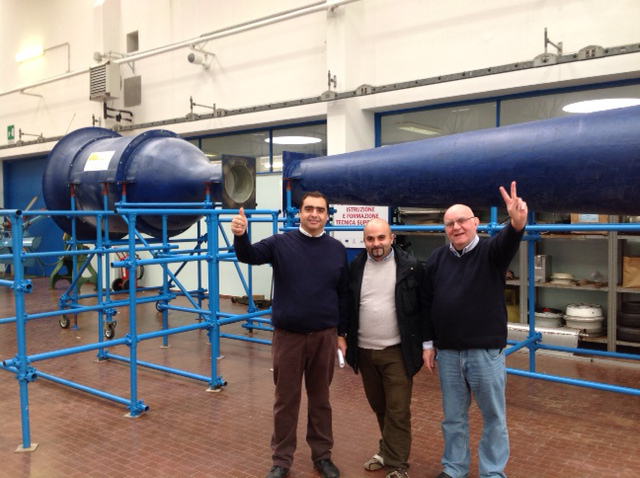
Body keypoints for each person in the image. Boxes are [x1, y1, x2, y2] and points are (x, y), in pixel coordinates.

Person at [231, 191, 348, 478]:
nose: (314, 214)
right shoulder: (280, 243)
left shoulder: (336, 249)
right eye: (309, 208)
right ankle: (281, 460)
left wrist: (341, 334)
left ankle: (322, 456)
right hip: (288, 338)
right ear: (299, 213)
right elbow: (248, 255)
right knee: (286, 401)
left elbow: (343, 294)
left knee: (321, 400)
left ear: (327, 215)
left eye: (320, 209)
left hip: (324, 337)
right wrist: (241, 235)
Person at [422, 181, 527, 478]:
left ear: (476, 222)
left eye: (462, 221)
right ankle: (454, 468)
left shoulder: (492, 252)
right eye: (449, 223)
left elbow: (510, 238)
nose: (456, 227)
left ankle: (492, 472)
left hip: (485, 353)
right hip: (448, 353)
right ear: (445, 229)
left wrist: (517, 222)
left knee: (493, 417)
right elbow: (426, 302)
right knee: (453, 418)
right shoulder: (437, 259)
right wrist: (428, 344)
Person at [341, 217, 425, 478]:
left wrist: (427, 344)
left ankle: (398, 465)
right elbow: (345, 305)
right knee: (380, 407)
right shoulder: (355, 267)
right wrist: (341, 334)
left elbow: (424, 307)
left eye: (381, 238)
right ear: (364, 241)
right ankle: (387, 451)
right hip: (365, 352)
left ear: (391, 238)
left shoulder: (410, 267)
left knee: (397, 410)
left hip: (397, 351)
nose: (376, 243)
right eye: (370, 239)